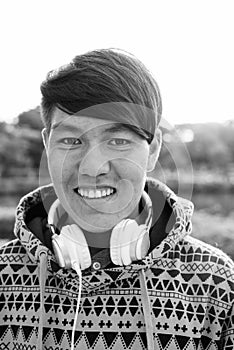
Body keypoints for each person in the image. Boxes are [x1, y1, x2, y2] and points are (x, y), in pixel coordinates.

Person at [0, 49, 234, 350]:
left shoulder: (218, 286)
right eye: (71, 141)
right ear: (47, 145)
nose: (92, 167)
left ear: (152, 151)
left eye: (118, 141)